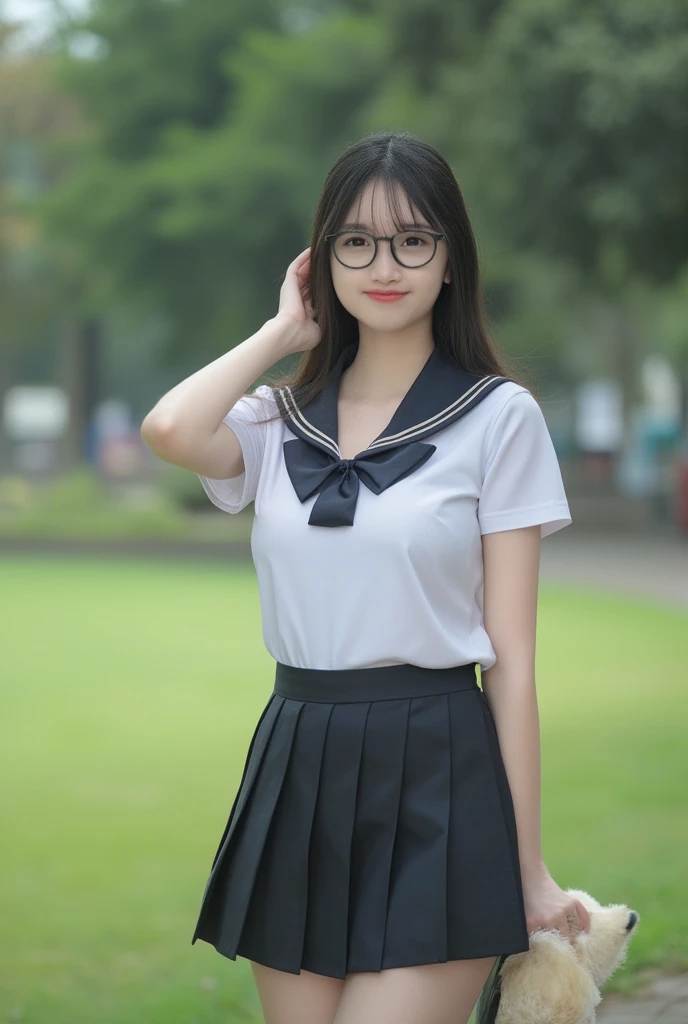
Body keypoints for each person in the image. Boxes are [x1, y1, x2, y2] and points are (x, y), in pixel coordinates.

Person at [140, 130, 590, 1024]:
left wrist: (528, 865)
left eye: (413, 240)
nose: (385, 265)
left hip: (441, 771)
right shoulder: (275, 419)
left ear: (451, 258)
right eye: (357, 242)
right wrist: (281, 332)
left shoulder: (500, 419)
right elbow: (168, 429)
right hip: (298, 762)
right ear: (323, 259)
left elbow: (514, 661)